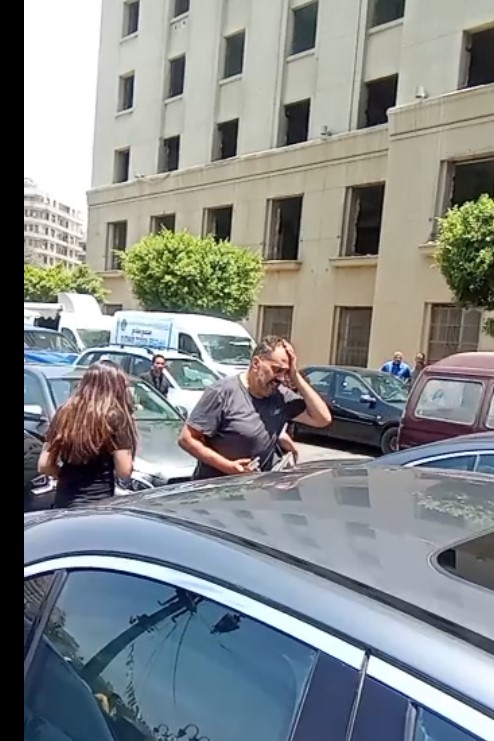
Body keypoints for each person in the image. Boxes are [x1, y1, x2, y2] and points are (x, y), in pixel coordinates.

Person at [178, 335, 331, 479]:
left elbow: (322, 419)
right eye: (277, 370)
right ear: (256, 363)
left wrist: (295, 376)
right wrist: (228, 467)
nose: (280, 378)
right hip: (215, 490)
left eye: (285, 372)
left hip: (255, 491)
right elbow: (187, 439)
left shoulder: (281, 397)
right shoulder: (222, 392)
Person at [38, 363, 137, 509]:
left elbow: (44, 465)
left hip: (64, 501)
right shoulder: (116, 417)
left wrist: (65, 476)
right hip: (97, 504)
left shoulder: (63, 413)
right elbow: (124, 469)